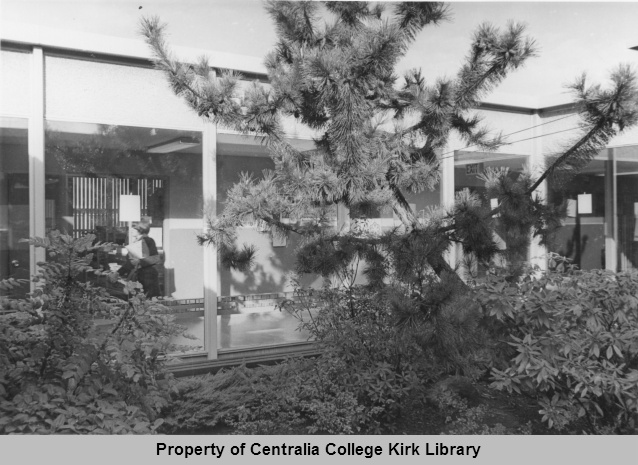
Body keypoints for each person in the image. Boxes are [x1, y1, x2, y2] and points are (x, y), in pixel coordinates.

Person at [121, 222, 161, 298]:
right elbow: (130, 262)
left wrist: (140, 262)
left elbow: (155, 258)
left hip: (147, 277)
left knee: (147, 301)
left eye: (133, 229)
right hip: (140, 275)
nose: (131, 231)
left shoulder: (148, 240)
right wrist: (118, 273)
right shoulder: (137, 241)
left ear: (140, 230)